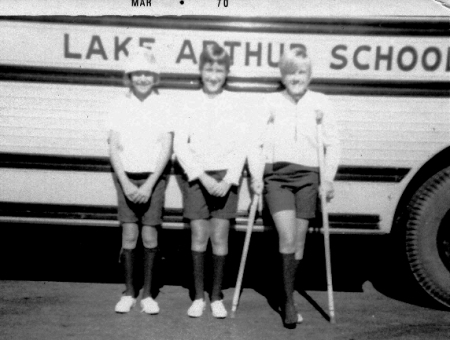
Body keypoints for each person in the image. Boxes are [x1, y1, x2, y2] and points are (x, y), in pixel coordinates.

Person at [250, 47, 340, 329]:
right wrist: (255, 176)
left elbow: (333, 143)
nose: (296, 78)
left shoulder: (321, 102)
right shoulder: (270, 102)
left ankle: (286, 292)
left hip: (309, 177)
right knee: (287, 238)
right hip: (277, 177)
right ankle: (288, 301)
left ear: (309, 75)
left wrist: (328, 178)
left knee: (299, 243)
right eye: (291, 72)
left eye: (301, 72)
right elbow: (255, 142)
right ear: (283, 75)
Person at [174, 43, 248, 319]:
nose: (213, 76)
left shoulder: (235, 103)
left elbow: (243, 145)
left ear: (226, 72)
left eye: (219, 70)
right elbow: (181, 145)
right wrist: (202, 176)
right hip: (197, 178)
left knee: (220, 237)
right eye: (209, 69)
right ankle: (197, 297)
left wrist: (229, 179)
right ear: (200, 70)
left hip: (225, 179)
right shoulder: (189, 102)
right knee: (199, 236)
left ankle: (216, 296)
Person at [106, 47, 173, 314]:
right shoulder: (119, 105)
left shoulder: (163, 105)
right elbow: (113, 148)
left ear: (155, 76)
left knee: (149, 235)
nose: (143, 78)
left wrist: (148, 185)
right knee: (129, 235)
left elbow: (166, 148)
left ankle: (147, 294)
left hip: (153, 180)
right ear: (129, 76)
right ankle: (129, 292)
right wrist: (124, 182)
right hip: (126, 178)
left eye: (148, 73)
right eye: (138, 73)